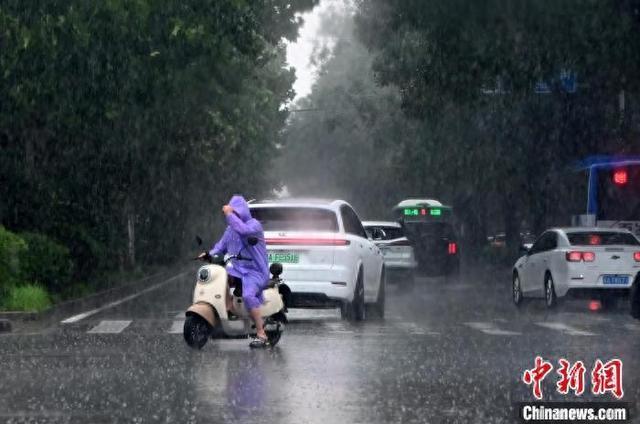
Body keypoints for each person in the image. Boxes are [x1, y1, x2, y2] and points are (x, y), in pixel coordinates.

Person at [207, 195, 270, 348]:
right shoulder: (230, 230)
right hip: (237, 270)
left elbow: (243, 231)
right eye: (232, 213)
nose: (233, 216)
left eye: (236, 213)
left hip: (256, 272)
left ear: (242, 212)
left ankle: (261, 334)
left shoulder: (253, 225)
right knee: (219, 278)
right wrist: (209, 254)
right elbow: (220, 247)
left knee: (248, 295)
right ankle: (229, 308)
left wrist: (229, 213)